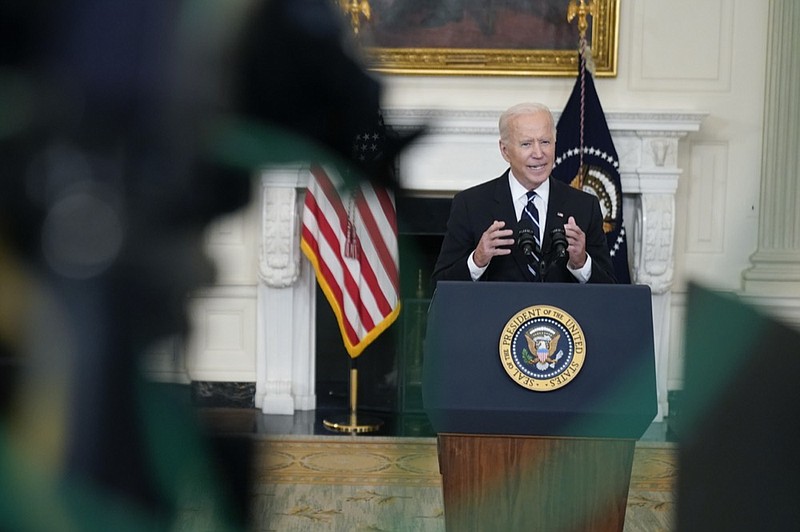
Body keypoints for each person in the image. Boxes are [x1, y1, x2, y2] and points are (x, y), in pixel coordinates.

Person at [432, 102, 616, 284]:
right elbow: (438, 287)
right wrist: (477, 260)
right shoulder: (470, 205)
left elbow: (611, 293)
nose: (538, 153)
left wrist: (582, 263)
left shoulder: (584, 206)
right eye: (526, 144)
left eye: (545, 142)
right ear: (505, 151)